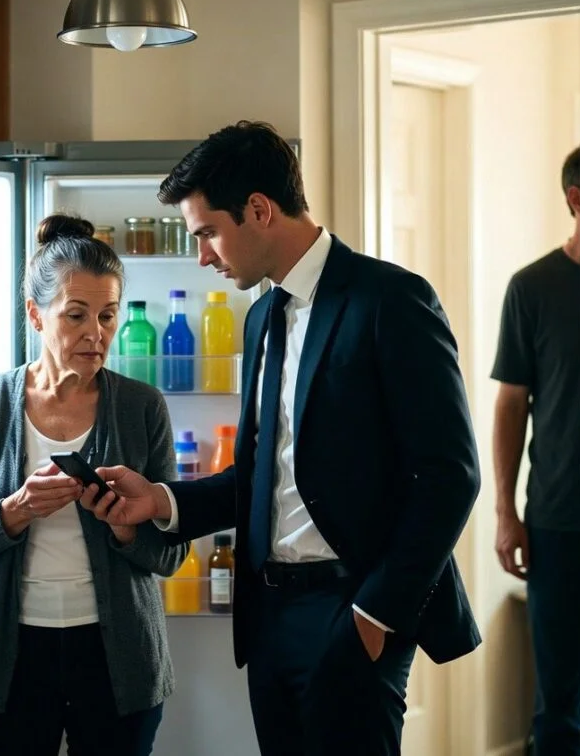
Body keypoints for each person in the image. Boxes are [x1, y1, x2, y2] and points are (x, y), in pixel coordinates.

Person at [84, 121, 482, 756]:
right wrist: (160, 501)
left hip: (351, 610)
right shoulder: (261, 316)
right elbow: (263, 473)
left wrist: (374, 615)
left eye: (207, 233)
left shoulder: (391, 300)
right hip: (269, 618)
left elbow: (450, 476)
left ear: (259, 210)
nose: (203, 256)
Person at [0, 214, 188, 756]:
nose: (96, 333)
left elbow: (172, 554)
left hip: (118, 662)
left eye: (108, 315)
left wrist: (126, 530)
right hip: (11, 660)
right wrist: (16, 510)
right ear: (35, 314)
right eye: (76, 315)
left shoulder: (142, 407)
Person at [492, 143, 580, 755]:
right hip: (559, 520)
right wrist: (506, 513)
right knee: (558, 703)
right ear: (577, 200)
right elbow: (511, 405)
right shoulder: (533, 288)